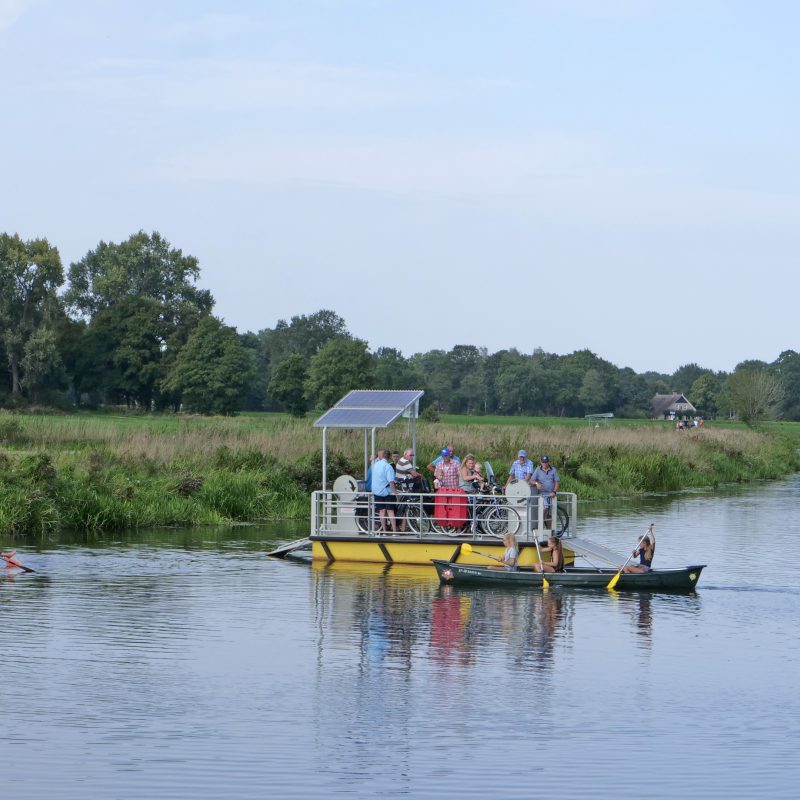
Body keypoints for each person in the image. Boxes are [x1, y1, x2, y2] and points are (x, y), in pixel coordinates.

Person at [371, 449, 398, 533]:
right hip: (387, 492)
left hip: (377, 491)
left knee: (381, 512)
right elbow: (391, 482)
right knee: (390, 511)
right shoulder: (388, 467)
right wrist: (395, 492)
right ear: (389, 457)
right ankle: (394, 531)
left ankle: (384, 531)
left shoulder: (376, 465)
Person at [531, 455, 560, 522]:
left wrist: (554, 492)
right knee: (546, 507)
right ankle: (540, 521)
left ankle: (549, 530)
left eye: (546, 462)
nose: (545, 464)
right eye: (543, 462)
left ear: (549, 462)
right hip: (542, 494)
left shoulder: (554, 470)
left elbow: (556, 482)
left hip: (551, 494)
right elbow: (531, 480)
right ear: (541, 462)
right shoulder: (538, 469)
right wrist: (536, 483)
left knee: (550, 514)